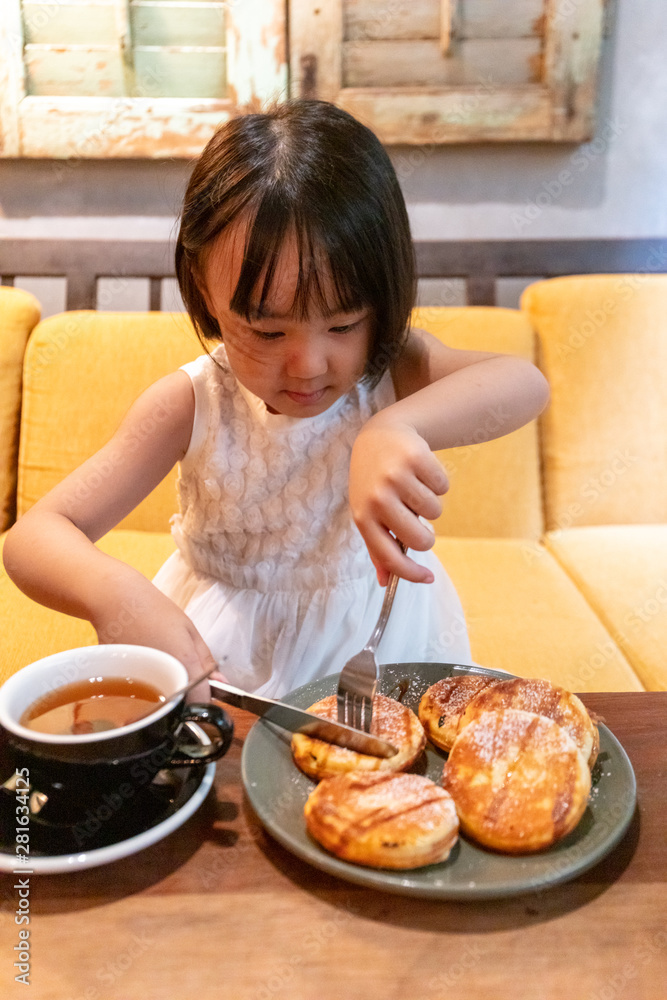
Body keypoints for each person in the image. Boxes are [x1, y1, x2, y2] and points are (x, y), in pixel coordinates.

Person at [3, 100, 549, 698]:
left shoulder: (393, 371)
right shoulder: (191, 403)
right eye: (267, 332)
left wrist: (394, 428)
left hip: (381, 646)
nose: (309, 365)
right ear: (206, 292)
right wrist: (117, 593)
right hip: (226, 655)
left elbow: (523, 384)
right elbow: (34, 537)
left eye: (343, 325)